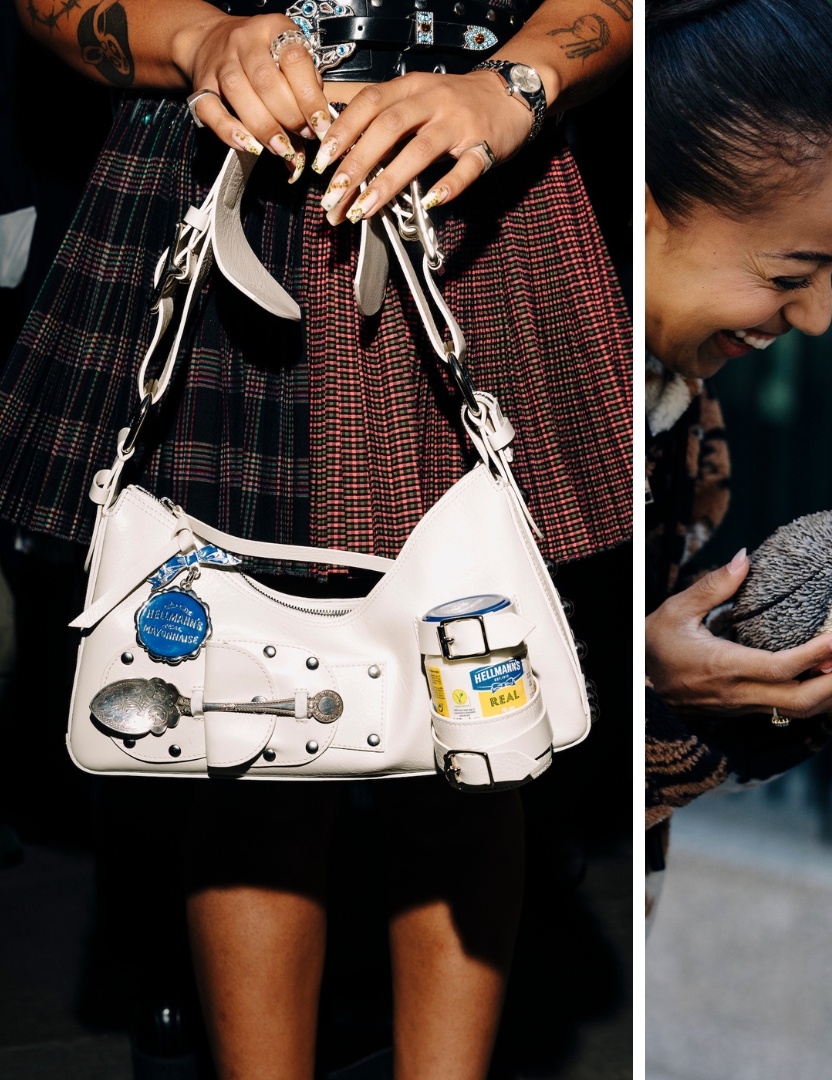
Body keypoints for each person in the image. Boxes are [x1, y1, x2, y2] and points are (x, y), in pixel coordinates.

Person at [4, 0, 632, 1071]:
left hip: (471, 170)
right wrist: (201, 40)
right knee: (233, 728)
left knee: (479, 727)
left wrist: (514, 83)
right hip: (229, 173)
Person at [639, 0, 832, 919]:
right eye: (790, 276)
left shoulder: (686, 412)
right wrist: (651, 691)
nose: (819, 316)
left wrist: (758, 686)